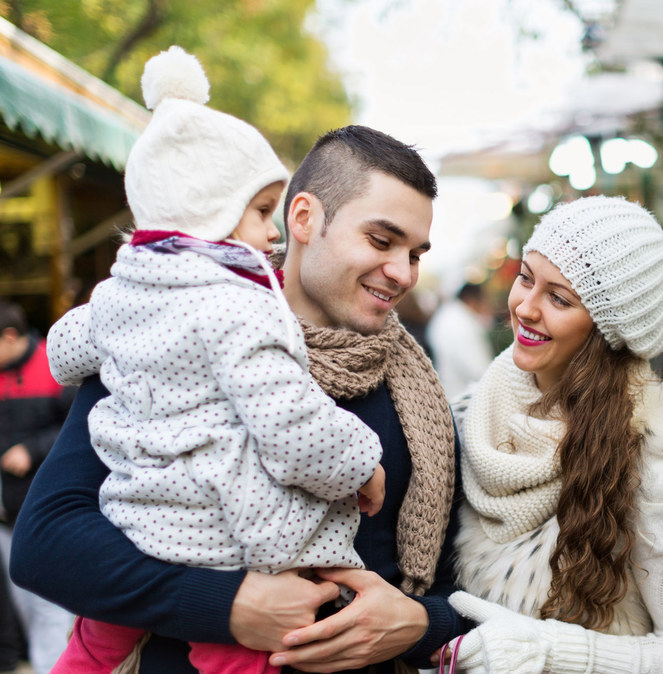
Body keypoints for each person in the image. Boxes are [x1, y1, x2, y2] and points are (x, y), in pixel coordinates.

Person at [12, 126, 466, 674]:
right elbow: (45, 545)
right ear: (302, 219)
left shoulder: (421, 398)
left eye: (416, 253)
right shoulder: (166, 339)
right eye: (380, 240)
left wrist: (418, 625)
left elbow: (451, 588)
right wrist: (224, 606)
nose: (402, 272)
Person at [42, 47, 388, 674]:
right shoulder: (239, 309)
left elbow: (63, 354)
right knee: (242, 657)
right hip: (219, 540)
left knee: (93, 650)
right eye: (260, 212)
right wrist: (362, 462)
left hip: (132, 523)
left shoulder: (121, 295)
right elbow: (293, 427)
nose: (271, 234)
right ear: (210, 217)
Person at [446, 196, 663, 673]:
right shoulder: (470, 418)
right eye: (526, 278)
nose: (526, 308)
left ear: (608, 332)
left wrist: (546, 650)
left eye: (559, 299)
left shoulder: (651, 462)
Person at [0, 301, 76, 674]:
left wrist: (31, 450)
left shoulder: (56, 364)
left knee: (48, 605)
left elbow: (81, 428)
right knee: (23, 603)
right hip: (5, 514)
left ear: (10, 337)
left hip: (47, 512)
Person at [428, 282, 493, 401]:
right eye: (483, 300)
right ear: (471, 300)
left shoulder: (446, 315)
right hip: (462, 398)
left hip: (449, 392)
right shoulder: (461, 324)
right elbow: (478, 369)